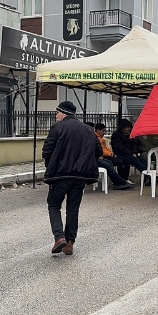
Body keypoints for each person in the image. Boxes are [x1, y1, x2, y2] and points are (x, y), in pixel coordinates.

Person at [42, 101, 100, 256]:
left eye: (57, 113)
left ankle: (59, 237)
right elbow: (98, 151)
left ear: (64, 113)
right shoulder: (88, 130)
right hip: (80, 176)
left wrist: (51, 165)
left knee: (53, 205)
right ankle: (69, 244)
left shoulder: (57, 128)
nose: (56, 116)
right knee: (73, 209)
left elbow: (47, 150)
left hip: (60, 175)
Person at [90, 122, 135, 190]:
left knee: (111, 163)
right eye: (103, 130)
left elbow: (101, 149)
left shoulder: (95, 137)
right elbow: (98, 149)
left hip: (97, 157)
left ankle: (118, 183)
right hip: (93, 159)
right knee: (111, 163)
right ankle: (121, 182)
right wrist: (108, 154)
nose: (104, 132)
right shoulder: (93, 138)